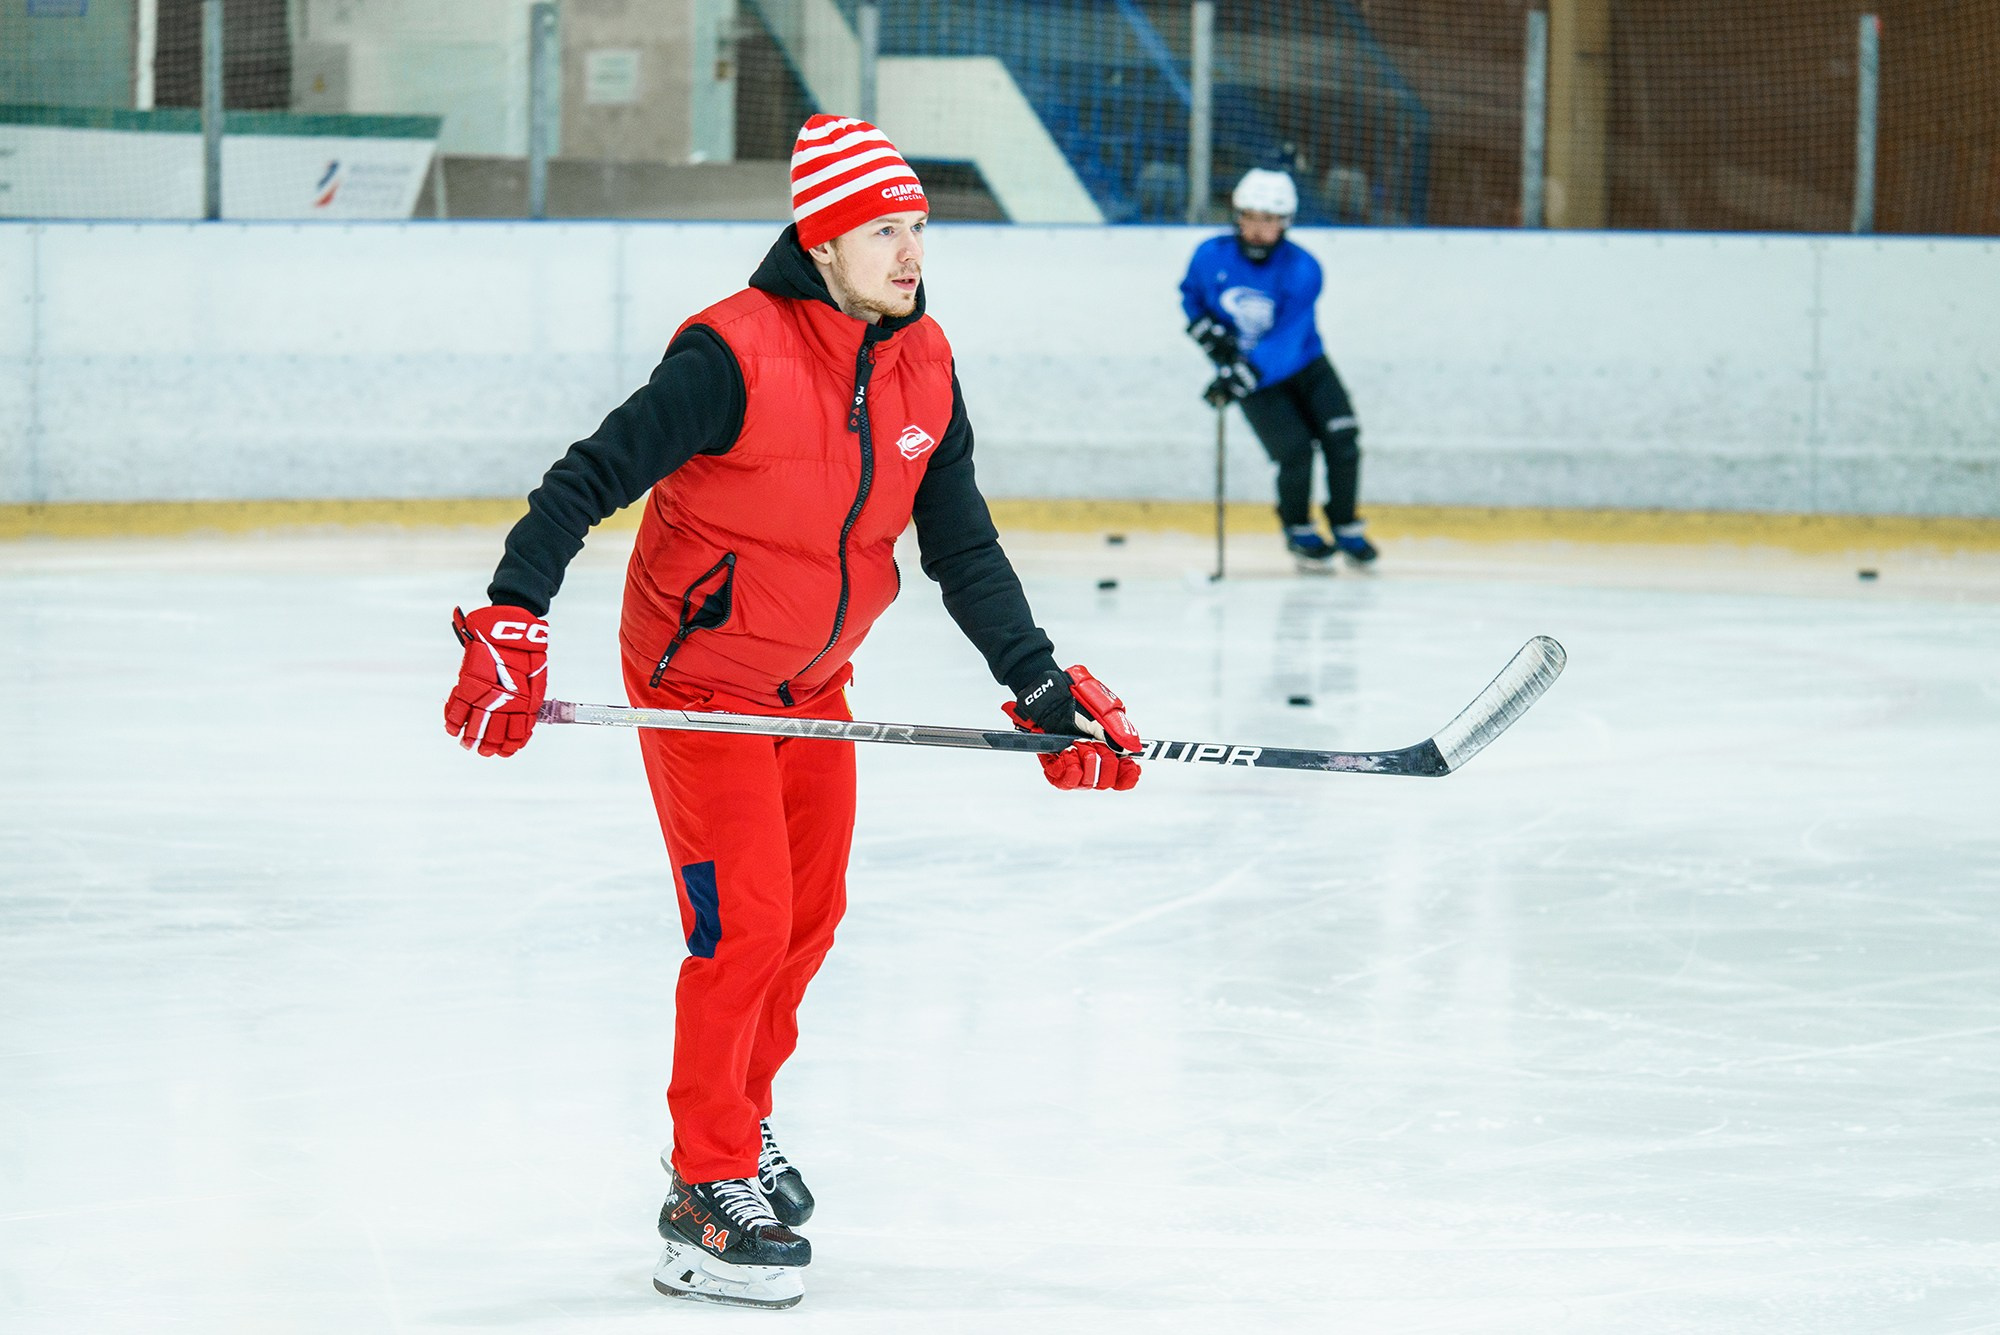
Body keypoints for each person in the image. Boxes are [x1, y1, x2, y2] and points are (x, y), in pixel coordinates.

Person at [441, 114, 1143, 1311]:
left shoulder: (924, 362)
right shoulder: (730, 354)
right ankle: (703, 1187)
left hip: (812, 683)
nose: (910, 252)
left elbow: (960, 545)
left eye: (917, 227)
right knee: (744, 928)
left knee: (808, 919)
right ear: (822, 242)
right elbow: (584, 478)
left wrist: (1037, 682)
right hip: (698, 679)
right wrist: (515, 613)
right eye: (883, 231)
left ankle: (742, 1118)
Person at [1179, 167, 1379, 571]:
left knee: (1343, 439)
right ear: (1237, 215)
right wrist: (1207, 334)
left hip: (1304, 365)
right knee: (1295, 453)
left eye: (1269, 219)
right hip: (1252, 376)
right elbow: (1190, 296)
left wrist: (1240, 376)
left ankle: (1345, 524)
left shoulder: (1303, 268)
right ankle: (1299, 530)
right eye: (1250, 217)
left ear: (1285, 222)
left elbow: (1287, 339)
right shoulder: (1210, 256)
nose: (1258, 229)